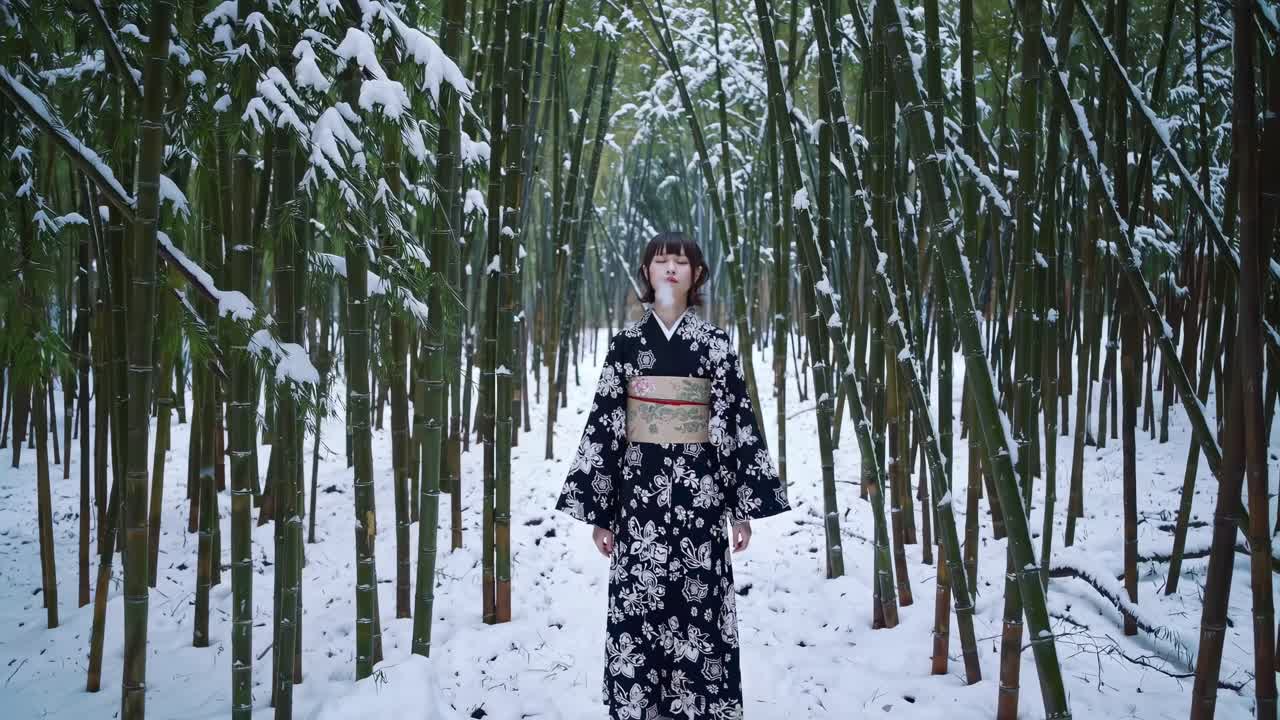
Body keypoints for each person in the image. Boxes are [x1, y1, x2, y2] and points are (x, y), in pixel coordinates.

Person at [555, 231, 789, 720]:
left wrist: (739, 509)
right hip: (638, 497)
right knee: (637, 610)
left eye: (680, 262)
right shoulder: (625, 346)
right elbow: (607, 426)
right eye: (660, 261)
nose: (669, 269)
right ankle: (639, 707)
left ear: (697, 275)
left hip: (700, 498)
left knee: (699, 610)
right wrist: (602, 514)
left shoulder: (714, 345)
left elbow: (733, 425)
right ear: (646, 273)